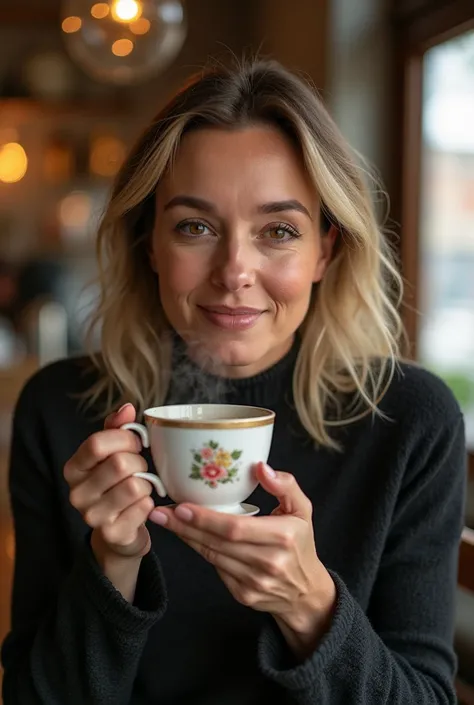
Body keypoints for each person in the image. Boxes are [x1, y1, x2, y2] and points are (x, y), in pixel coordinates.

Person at [1, 59, 466, 705]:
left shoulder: (408, 419)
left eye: (278, 231)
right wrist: (113, 560)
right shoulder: (61, 410)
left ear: (325, 251)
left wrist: (309, 603)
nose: (233, 271)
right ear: (149, 243)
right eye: (195, 226)